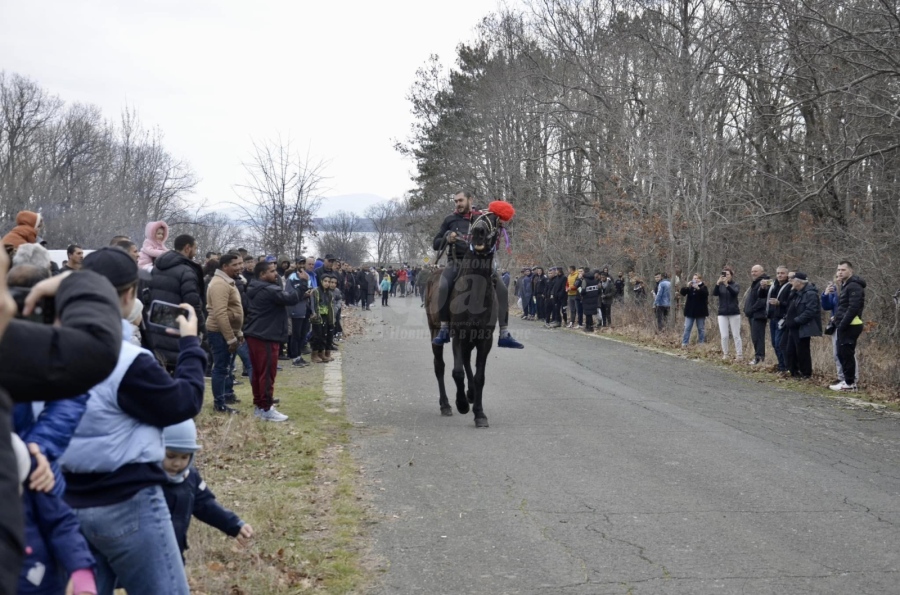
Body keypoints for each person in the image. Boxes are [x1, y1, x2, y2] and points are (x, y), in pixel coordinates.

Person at [60, 247, 205, 595]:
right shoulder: (127, 361)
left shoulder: (46, 347)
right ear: (129, 296)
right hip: (127, 502)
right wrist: (189, 345)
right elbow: (183, 403)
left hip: (66, 502)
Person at [431, 191, 523, 348]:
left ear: (470, 200)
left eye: (460, 200)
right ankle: (445, 328)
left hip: (482, 264)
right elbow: (435, 243)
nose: (457, 204)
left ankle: (504, 333)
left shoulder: (483, 216)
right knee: (444, 285)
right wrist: (447, 238)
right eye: (455, 201)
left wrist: (499, 223)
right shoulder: (450, 219)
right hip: (457, 262)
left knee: (501, 289)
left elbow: (497, 225)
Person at [161, 420, 252, 560]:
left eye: (184, 457)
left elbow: (205, 505)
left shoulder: (190, 478)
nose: (177, 463)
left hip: (174, 554)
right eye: (171, 456)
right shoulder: (144, 481)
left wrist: (233, 524)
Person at [244, 261, 301, 421]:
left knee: (258, 373)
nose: (276, 274)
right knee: (267, 373)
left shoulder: (255, 287)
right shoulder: (269, 289)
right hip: (266, 336)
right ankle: (266, 408)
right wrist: (302, 283)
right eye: (272, 271)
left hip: (256, 334)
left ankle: (260, 405)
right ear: (262, 274)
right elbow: (290, 298)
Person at [148, 234, 206, 370]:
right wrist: (201, 329)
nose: (196, 252)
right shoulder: (187, 272)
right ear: (187, 248)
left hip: (158, 323)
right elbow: (193, 303)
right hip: (179, 327)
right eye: (195, 248)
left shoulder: (156, 268)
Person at [206, 253, 245, 414]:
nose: (240, 267)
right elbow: (220, 313)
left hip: (230, 332)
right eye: (235, 265)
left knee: (227, 368)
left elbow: (234, 309)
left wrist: (239, 331)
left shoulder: (228, 281)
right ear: (224, 267)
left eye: (240, 263)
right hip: (219, 332)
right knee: (220, 368)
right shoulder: (219, 284)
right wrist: (230, 338)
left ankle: (226, 395)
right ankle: (219, 404)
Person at [829, 261, 866, 391]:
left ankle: (850, 383)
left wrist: (842, 323)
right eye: (838, 269)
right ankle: (847, 381)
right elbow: (843, 306)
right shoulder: (846, 285)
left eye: (843, 270)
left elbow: (853, 308)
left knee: (846, 353)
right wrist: (837, 318)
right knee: (841, 353)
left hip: (851, 325)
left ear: (850, 271)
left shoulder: (854, 286)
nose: (840, 272)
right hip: (845, 324)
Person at [781, 272, 822, 378]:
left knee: (802, 351)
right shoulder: (796, 292)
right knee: (789, 350)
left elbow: (811, 311)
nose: (791, 282)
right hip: (792, 327)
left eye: (793, 280)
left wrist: (796, 321)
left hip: (802, 327)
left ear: (799, 282)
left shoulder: (810, 293)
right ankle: (794, 371)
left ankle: (806, 373)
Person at [821, 274, 847, 384]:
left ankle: (850, 378)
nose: (838, 278)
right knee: (836, 353)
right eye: (836, 276)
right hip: (835, 324)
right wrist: (826, 294)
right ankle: (841, 376)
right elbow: (827, 306)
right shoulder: (834, 291)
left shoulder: (847, 289)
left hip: (845, 323)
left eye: (840, 276)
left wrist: (838, 316)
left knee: (845, 352)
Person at [765, 266, 791, 372]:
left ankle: (784, 366)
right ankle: (781, 365)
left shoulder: (789, 286)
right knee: (774, 344)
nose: (780, 275)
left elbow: (791, 304)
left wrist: (779, 303)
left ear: (787, 274)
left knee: (779, 343)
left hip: (782, 319)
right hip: (772, 317)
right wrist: (763, 287)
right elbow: (762, 296)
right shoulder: (773, 285)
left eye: (782, 273)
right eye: (778, 273)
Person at [713, 267, 742, 360]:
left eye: (728, 274)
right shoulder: (720, 285)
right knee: (724, 335)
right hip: (722, 313)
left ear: (731, 275)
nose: (726, 276)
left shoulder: (735, 284)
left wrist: (727, 285)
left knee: (736, 335)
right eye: (724, 274)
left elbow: (735, 293)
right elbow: (714, 293)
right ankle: (725, 354)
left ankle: (739, 355)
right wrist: (718, 283)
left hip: (734, 313)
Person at [287, 257, 312, 367]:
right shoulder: (292, 277)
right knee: (296, 335)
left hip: (305, 308)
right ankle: (295, 358)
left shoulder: (307, 276)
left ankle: (299, 356)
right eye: (300, 263)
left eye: (303, 263)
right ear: (296, 264)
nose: (302, 266)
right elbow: (289, 293)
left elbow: (310, 288)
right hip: (296, 309)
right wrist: (303, 294)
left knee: (303, 334)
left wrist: (310, 292)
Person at [744, 264, 769, 365]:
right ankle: (757, 357)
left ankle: (760, 358)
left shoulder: (765, 282)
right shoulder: (755, 283)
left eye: (756, 271)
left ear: (762, 272)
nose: (753, 273)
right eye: (752, 271)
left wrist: (752, 309)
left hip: (759, 315)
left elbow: (762, 300)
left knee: (758, 338)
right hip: (752, 315)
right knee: (755, 338)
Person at [310, 274, 337, 363]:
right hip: (317, 316)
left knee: (323, 335)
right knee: (317, 336)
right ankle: (314, 354)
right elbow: (313, 304)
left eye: (328, 282)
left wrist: (332, 319)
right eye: (325, 281)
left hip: (325, 316)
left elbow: (331, 307)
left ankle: (322, 353)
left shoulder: (329, 293)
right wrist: (313, 314)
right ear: (321, 281)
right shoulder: (316, 291)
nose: (327, 283)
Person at [680, 273, 709, 346]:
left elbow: (705, 294)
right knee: (687, 327)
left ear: (700, 279)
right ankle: (685, 343)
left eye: (697, 278)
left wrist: (698, 288)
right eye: (694, 278)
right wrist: (687, 286)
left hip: (700, 312)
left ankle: (701, 343)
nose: (695, 280)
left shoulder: (703, 287)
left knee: (701, 328)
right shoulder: (690, 287)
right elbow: (682, 293)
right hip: (690, 311)